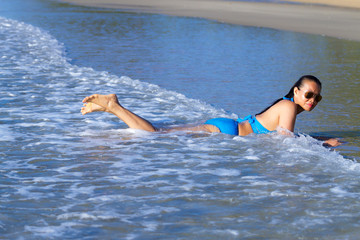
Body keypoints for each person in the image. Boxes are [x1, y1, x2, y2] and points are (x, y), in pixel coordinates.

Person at [81, 75, 341, 147]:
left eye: (317, 97)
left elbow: (281, 135)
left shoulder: (285, 105)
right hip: (226, 131)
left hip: (225, 126)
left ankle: (107, 108)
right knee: (156, 134)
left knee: (162, 132)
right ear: (296, 92)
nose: (312, 100)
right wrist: (321, 142)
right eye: (309, 94)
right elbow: (286, 141)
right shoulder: (288, 106)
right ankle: (114, 105)